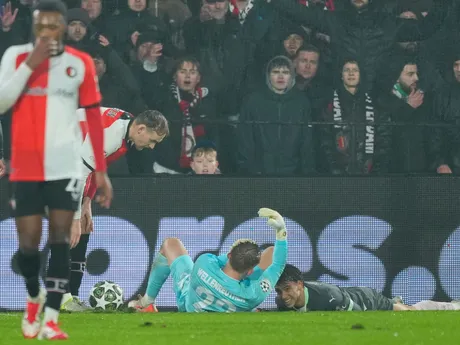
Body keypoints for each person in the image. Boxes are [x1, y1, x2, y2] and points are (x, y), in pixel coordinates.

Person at [0, 0, 112, 339]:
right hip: (27, 164)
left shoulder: (79, 63)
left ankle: (50, 316)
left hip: (65, 165)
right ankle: (34, 295)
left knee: (62, 239)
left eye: (53, 23)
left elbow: (93, 113)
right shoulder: (16, 56)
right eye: (41, 23)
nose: (47, 29)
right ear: (34, 26)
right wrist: (29, 66)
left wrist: (102, 172)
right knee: (30, 244)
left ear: (63, 26)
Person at [60, 107, 169, 311]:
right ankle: (60, 296)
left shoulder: (126, 129)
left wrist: (86, 203)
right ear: (141, 129)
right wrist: (74, 218)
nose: (152, 147)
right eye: (152, 140)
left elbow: (92, 168)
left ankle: (71, 296)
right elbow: (78, 172)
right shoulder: (111, 135)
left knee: (82, 227)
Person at [128, 208, 288, 312]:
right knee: (272, 253)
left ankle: (147, 301)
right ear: (250, 271)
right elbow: (278, 265)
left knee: (170, 244)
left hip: (188, 304)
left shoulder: (204, 264)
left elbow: (226, 259)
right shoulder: (253, 295)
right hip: (236, 302)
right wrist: (281, 231)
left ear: (230, 254)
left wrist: (239, 251)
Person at [274, 264, 460, 312]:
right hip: (351, 300)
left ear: (299, 284)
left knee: (411, 313)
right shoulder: (282, 302)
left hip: (365, 300)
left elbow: (359, 315)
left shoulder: (327, 295)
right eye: (279, 291)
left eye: (287, 289)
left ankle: (452, 307)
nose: (283, 295)